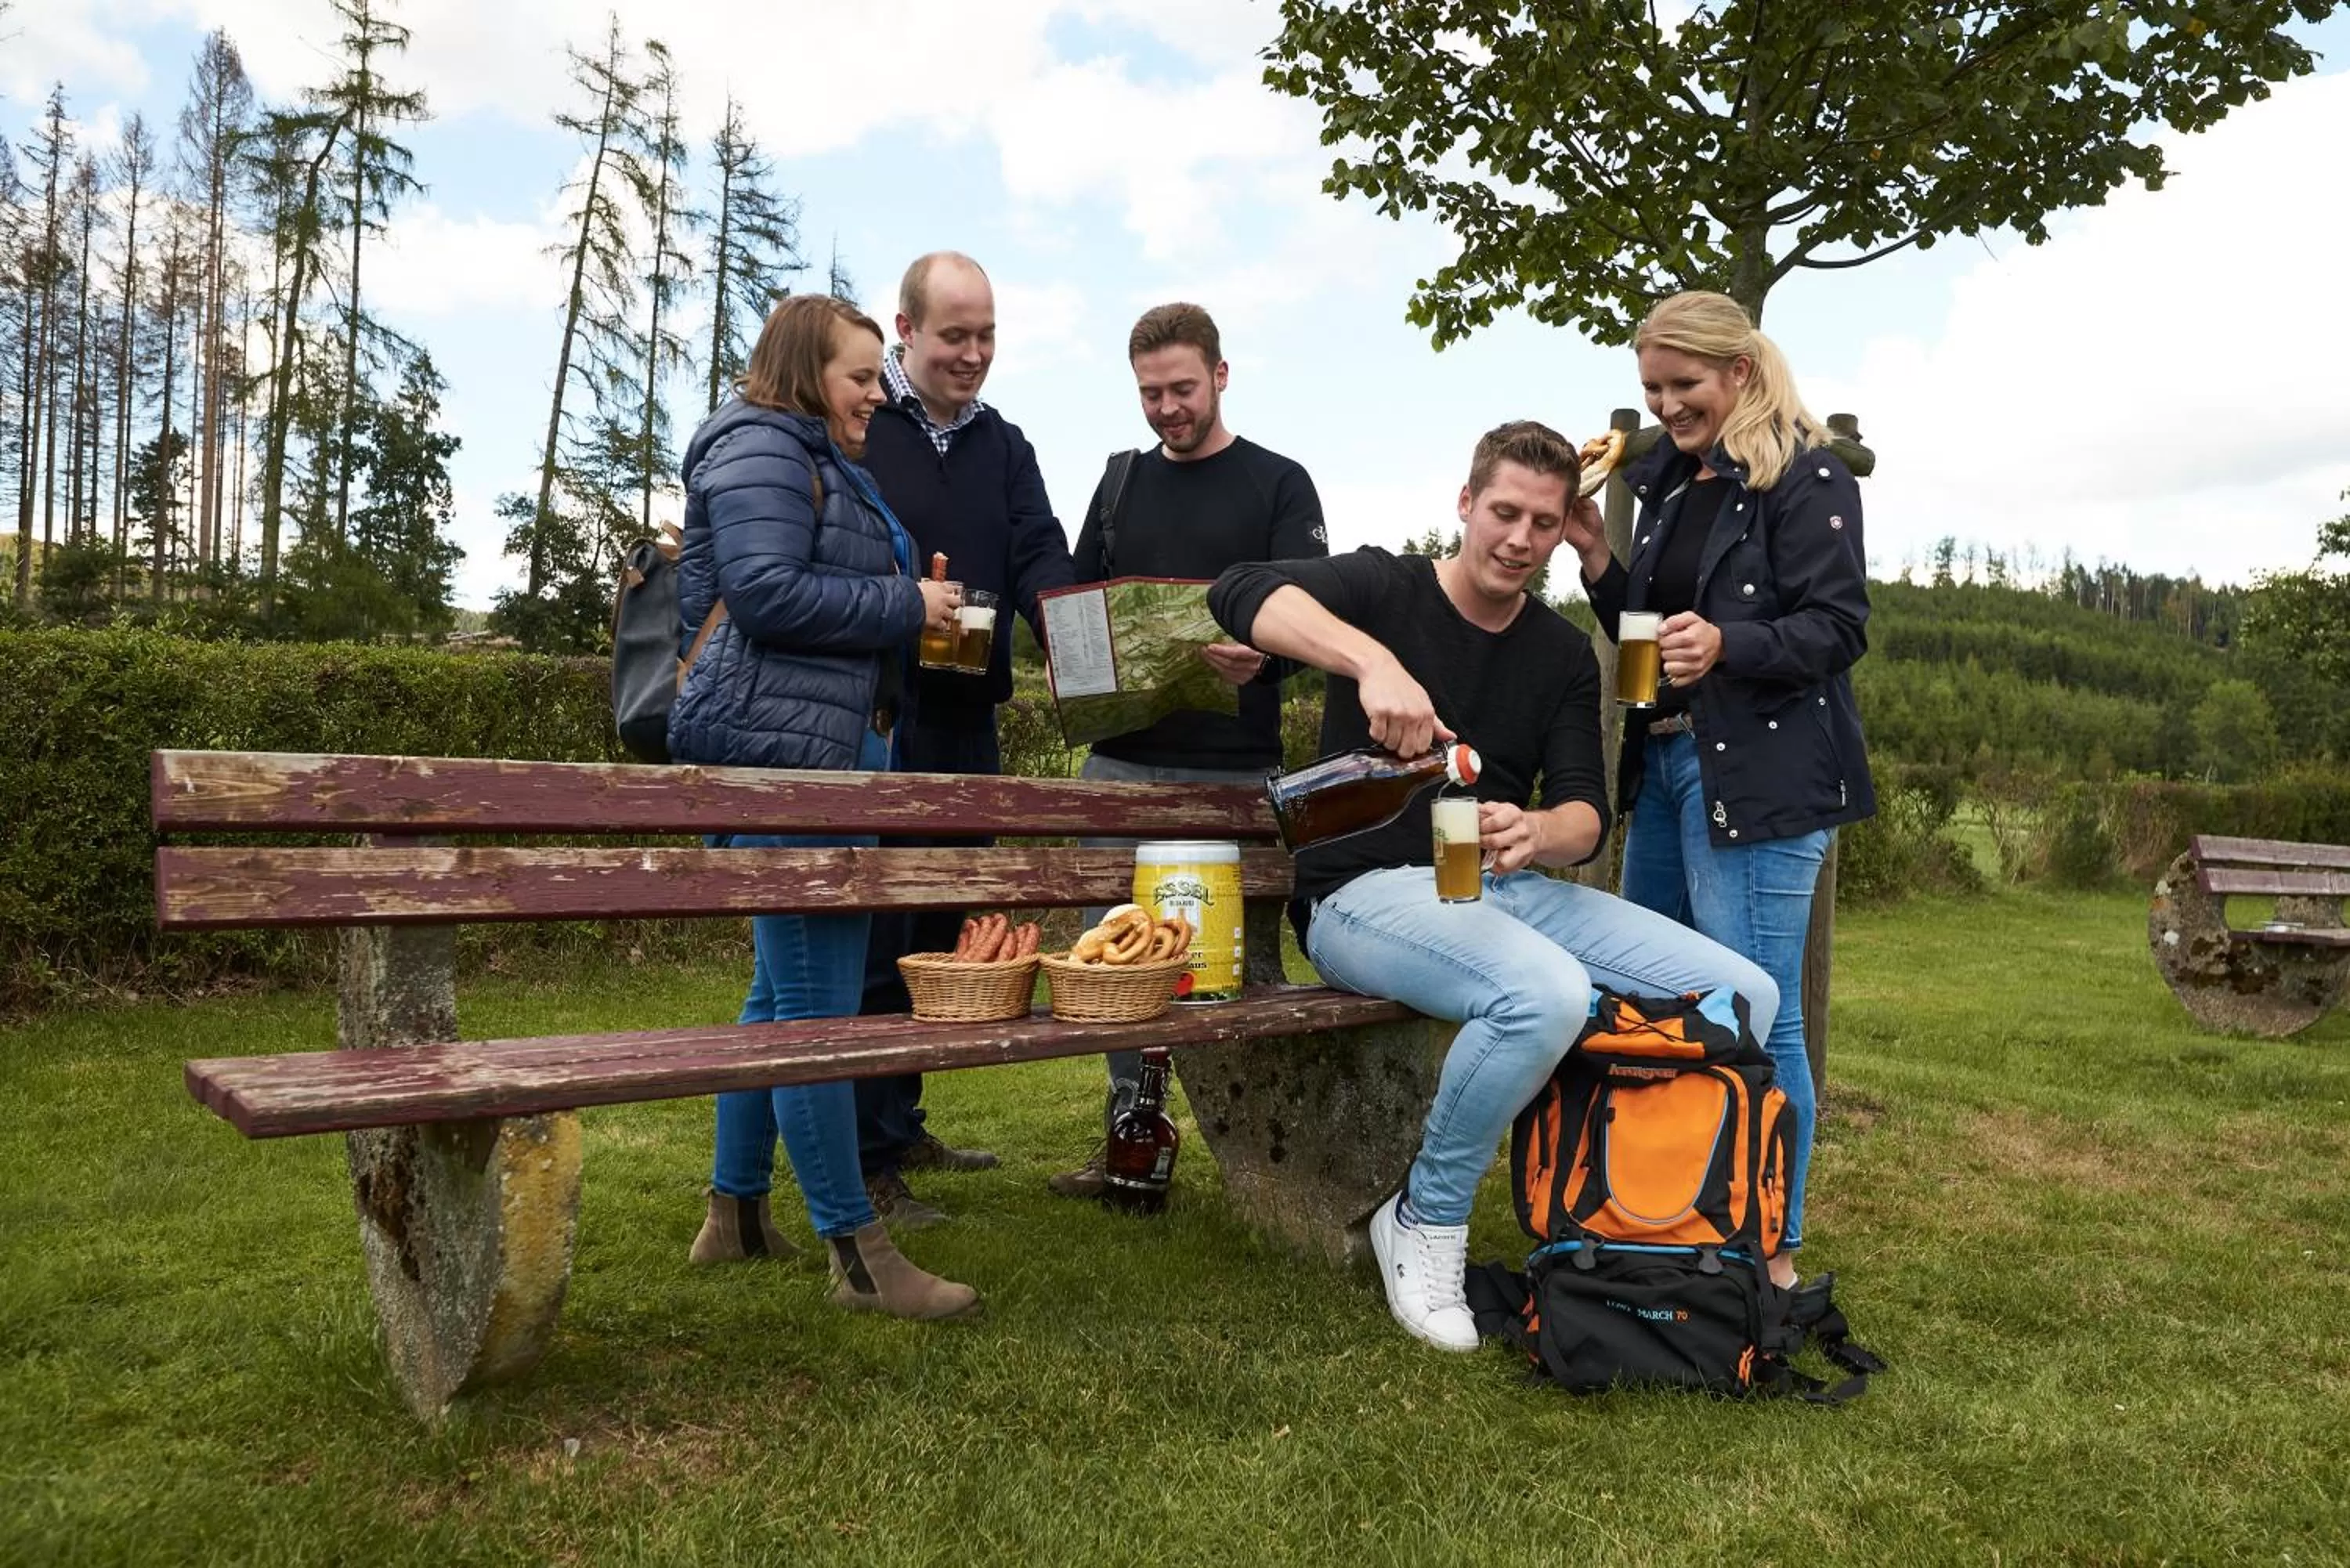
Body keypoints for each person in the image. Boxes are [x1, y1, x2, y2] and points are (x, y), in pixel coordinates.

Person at [1205, 420, 1778, 1353]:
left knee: (1742, 994)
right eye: (1503, 512)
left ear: (1564, 531)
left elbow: (1587, 812)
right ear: (1465, 504)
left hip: (1498, 887)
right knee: (1543, 994)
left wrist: (1539, 829)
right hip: (1360, 894)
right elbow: (1238, 592)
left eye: (1542, 523)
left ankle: (1642, 1217)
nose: (1518, 538)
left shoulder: (1557, 652)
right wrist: (1370, 660)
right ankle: (1424, 1217)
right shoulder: (1385, 588)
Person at [671, 292, 979, 1321]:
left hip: (819, 759)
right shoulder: (761, 448)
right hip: (787, 770)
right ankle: (856, 1252)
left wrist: (916, 604)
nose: (875, 395)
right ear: (809, 371)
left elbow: (814, 586)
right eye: (860, 377)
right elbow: (763, 590)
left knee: (777, 1000)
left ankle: (737, 1212)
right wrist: (905, 603)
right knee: (817, 1018)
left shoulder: (812, 452)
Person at [1563, 290, 1876, 1289]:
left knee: (1754, 1009)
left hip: (1760, 774)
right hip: (1660, 766)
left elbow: (1839, 628)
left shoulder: (1808, 475)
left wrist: (1731, 642)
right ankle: (1663, 1208)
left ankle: (1768, 1247)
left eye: (1682, 384)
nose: (1664, 405)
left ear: (1738, 372)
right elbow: (1647, 628)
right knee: (1648, 993)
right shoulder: (1675, 483)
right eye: (1651, 388)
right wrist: (1597, 555)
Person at [1046, 301, 1328, 1199]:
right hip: (1121, 763)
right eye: (1149, 393)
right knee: (1114, 966)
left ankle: (1270, 1165)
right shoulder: (1121, 481)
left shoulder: (1281, 484)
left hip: (1237, 768)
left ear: (1220, 376)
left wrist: (1266, 656)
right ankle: (1134, 1148)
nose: (1166, 408)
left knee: (1243, 970)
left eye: (1180, 388)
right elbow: (1080, 601)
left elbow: (1316, 624)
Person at [850, 251, 1077, 1228]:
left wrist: (1070, 628)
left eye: (986, 335)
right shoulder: (863, 423)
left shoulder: (1007, 443)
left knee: (945, 929)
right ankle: (861, 1158)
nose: (975, 354)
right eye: (955, 336)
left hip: (967, 712)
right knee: (879, 928)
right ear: (904, 330)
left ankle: (901, 1119)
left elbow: (1039, 546)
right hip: (879, 711)